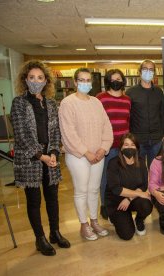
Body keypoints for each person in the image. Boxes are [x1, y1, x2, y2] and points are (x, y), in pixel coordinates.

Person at [10, 60, 70, 256]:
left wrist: (53, 152)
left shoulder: (51, 103)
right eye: (32, 77)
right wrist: (40, 155)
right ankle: (40, 238)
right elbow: (21, 134)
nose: (36, 81)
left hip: (49, 156)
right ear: (25, 80)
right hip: (31, 159)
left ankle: (55, 233)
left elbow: (55, 131)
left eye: (40, 77)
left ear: (46, 81)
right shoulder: (19, 103)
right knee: (34, 200)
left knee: (53, 198)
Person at [59, 68, 113, 241]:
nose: (85, 83)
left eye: (88, 80)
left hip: (98, 155)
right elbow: (69, 133)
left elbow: (107, 127)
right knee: (81, 190)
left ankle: (94, 221)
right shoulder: (67, 103)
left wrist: (103, 148)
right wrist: (86, 152)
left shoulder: (97, 102)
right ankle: (84, 225)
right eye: (81, 80)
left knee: (94, 189)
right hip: (78, 156)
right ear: (75, 82)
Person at [97, 69, 131, 220]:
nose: (116, 81)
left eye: (118, 78)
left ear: (123, 81)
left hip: (124, 146)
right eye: (112, 79)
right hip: (107, 146)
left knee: (123, 176)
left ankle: (120, 201)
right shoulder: (100, 98)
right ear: (108, 82)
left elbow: (128, 121)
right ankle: (105, 204)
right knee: (106, 176)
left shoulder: (127, 100)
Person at [106, 133, 153, 240]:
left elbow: (144, 184)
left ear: (137, 147)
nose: (129, 148)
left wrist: (129, 198)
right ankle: (114, 217)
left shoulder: (141, 162)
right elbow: (116, 189)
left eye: (132, 145)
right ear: (121, 147)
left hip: (132, 199)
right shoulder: (113, 163)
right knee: (127, 235)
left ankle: (139, 220)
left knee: (147, 205)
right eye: (126, 145)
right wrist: (139, 194)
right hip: (117, 201)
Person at [126, 59, 164, 168]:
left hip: (157, 139)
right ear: (139, 72)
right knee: (138, 170)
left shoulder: (159, 92)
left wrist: (163, 134)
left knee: (155, 171)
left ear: (154, 73)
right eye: (145, 69)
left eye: (151, 69)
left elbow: (162, 113)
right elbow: (127, 116)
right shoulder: (130, 92)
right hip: (138, 139)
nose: (148, 72)